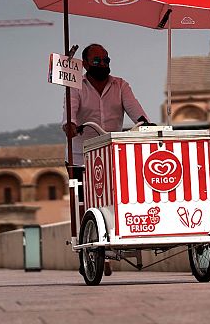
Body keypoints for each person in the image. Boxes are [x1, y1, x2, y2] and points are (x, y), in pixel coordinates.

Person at [62, 43, 150, 277]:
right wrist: (70, 125)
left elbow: (135, 110)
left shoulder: (120, 85)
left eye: (107, 60)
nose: (103, 64)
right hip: (82, 154)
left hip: (111, 153)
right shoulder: (76, 86)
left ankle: (108, 244)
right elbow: (70, 113)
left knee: (114, 199)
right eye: (98, 61)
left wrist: (145, 122)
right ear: (86, 63)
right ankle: (86, 248)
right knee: (83, 203)